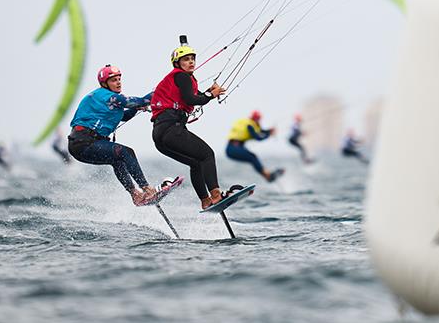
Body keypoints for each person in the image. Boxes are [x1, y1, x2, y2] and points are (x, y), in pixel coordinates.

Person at [151, 38, 237, 210]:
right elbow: (192, 99)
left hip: (160, 135)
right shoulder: (181, 76)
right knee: (207, 155)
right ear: (177, 63)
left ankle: (205, 201)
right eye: (185, 59)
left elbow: (196, 96)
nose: (190, 62)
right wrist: (211, 95)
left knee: (196, 163)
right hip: (171, 129)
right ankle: (216, 195)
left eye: (192, 59)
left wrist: (209, 93)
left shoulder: (180, 79)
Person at [68, 64, 164, 206]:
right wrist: (158, 92)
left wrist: (137, 107)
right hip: (84, 142)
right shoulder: (107, 96)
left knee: (117, 160)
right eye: (113, 80)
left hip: (81, 145)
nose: (118, 82)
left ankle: (135, 195)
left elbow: (124, 116)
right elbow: (138, 101)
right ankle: (147, 189)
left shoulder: (110, 101)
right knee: (126, 152)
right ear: (104, 83)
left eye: (119, 79)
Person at [226, 110, 285, 182]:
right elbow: (258, 137)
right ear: (257, 119)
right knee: (253, 157)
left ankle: (267, 175)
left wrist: (269, 131)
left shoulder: (247, 122)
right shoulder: (250, 125)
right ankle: (268, 176)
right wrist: (269, 134)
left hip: (233, 148)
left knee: (253, 157)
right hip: (233, 149)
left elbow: (260, 131)